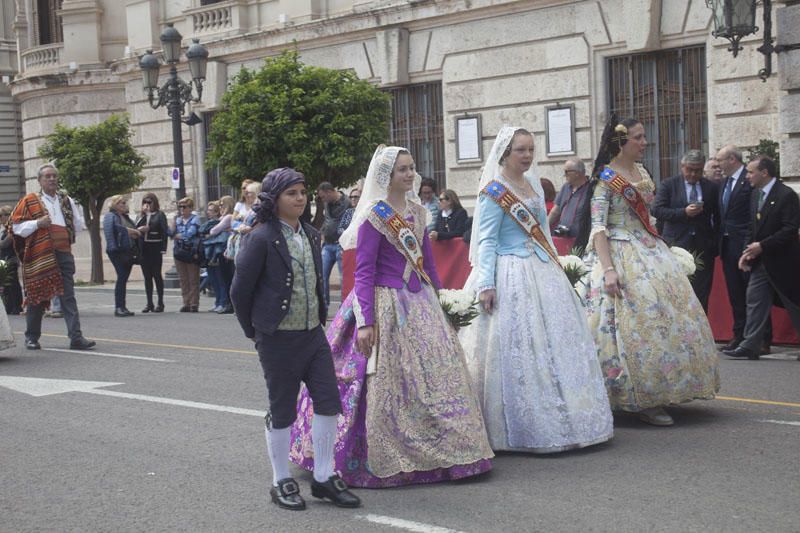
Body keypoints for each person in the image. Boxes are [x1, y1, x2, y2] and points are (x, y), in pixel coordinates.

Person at [290, 145, 493, 487]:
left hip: (420, 302)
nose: (409, 174)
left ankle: (448, 448)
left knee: (435, 378)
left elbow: (428, 263)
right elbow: (364, 272)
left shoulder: (418, 210)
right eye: (402, 169)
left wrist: (442, 302)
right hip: (385, 303)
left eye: (412, 168)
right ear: (387, 176)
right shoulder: (374, 215)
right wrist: (366, 321)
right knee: (382, 380)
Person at [459, 127, 613, 452]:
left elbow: (542, 229)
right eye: (521, 150)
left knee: (553, 346)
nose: (527, 156)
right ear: (505, 153)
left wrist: (556, 264)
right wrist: (486, 283)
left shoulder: (531, 185)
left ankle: (566, 418)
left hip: (541, 269)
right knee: (516, 348)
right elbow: (486, 239)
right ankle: (514, 425)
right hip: (508, 272)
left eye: (530, 149)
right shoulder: (493, 190)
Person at [231, 168, 361, 511]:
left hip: (312, 335)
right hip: (277, 338)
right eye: (292, 193)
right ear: (275, 200)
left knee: (329, 401)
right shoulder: (260, 237)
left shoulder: (311, 233)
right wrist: (256, 332)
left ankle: (322, 476)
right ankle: (280, 479)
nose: (300, 198)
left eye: (303, 192)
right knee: (282, 409)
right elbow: (239, 291)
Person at [575, 117, 719, 426]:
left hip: (647, 247)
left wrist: (661, 246)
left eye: (643, 137)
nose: (644, 142)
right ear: (621, 143)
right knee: (624, 323)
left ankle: (662, 388)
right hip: (618, 251)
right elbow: (599, 227)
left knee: (666, 317)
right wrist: (609, 270)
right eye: (639, 138)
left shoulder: (641, 171)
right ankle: (635, 396)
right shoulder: (605, 179)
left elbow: (649, 216)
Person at [10, 163, 95, 350]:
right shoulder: (29, 201)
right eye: (47, 176)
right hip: (40, 255)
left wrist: (64, 234)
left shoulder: (66, 200)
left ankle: (76, 337)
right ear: (39, 181)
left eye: (54, 176)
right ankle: (31, 337)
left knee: (68, 295)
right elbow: (15, 227)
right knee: (37, 295)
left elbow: (78, 224)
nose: (52, 179)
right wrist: (37, 224)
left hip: (63, 252)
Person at [723, 156, 800, 360]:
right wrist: (747, 253)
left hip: (783, 262)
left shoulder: (786, 195)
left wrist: (762, 246)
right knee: (754, 300)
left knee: (793, 303)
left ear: (764, 173)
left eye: (750, 171)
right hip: (761, 261)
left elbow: (790, 229)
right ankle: (750, 345)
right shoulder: (756, 194)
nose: (747, 176)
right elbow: (752, 227)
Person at [652, 149, 720, 311]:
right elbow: (657, 210)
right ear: (682, 167)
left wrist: (714, 243)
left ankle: (701, 331)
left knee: (701, 292)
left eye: (697, 170)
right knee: (676, 291)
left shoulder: (710, 187)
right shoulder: (669, 184)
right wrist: (683, 212)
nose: (693, 174)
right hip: (677, 244)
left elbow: (718, 217)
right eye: (689, 169)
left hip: (703, 246)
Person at [716, 145, 755, 351]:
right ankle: (739, 335)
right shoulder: (724, 183)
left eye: (720, 160)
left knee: (752, 293)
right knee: (735, 293)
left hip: (745, 244)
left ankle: (760, 338)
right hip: (727, 244)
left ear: (732, 159)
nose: (718, 164)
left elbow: (753, 213)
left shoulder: (748, 181)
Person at [103, 195, 140, 317]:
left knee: (123, 278)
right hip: (116, 251)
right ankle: (119, 307)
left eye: (125, 203)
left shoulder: (124, 217)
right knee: (122, 277)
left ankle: (122, 306)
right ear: (115, 205)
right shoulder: (110, 216)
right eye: (122, 203)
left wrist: (135, 231)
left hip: (127, 250)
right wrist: (131, 231)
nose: (124, 205)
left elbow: (131, 228)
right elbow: (115, 230)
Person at [317, 182, 349, 306]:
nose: (322, 200)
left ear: (329, 192)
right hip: (328, 244)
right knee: (322, 276)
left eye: (323, 196)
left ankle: (343, 308)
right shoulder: (327, 204)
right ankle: (324, 305)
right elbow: (328, 220)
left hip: (340, 244)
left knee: (343, 278)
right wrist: (323, 232)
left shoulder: (346, 202)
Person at [135, 192, 168, 313]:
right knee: (147, 276)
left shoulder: (159, 215)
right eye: (145, 202)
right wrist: (144, 215)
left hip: (155, 247)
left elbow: (164, 231)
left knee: (156, 275)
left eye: (149, 202)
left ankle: (160, 302)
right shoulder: (141, 216)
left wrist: (163, 247)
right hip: (144, 248)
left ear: (155, 202)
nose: (147, 204)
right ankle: (149, 303)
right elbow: (135, 227)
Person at [198, 201, 231, 313]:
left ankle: (223, 302)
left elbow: (213, 231)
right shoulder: (216, 221)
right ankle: (217, 302)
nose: (208, 212)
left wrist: (212, 232)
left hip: (219, 251)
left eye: (211, 210)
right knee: (213, 279)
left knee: (220, 279)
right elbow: (203, 231)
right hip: (210, 251)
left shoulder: (227, 218)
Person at [170, 197, 200, 312]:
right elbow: (170, 234)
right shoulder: (177, 220)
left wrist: (179, 236)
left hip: (191, 251)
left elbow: (190, 233)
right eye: (180, 207)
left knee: (193, 278)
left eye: (184, 207)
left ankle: (194, 303)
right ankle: (186, 302)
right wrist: (173, 224)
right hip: (179, 251)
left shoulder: (195, 219)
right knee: (183, 279)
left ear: (190, 208)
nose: (182, 209)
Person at [548, 157, 591, 237]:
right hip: (562, 237)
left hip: (581, 239)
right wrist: (544, 227)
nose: (564, 175)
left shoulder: (590, 189)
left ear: (577, 173)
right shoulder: (566, 187)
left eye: (566, 172)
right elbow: (555, 211)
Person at [209, 195, 236, 314]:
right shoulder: (224, 218)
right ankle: (226, 303)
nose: (220, 207)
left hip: (225, 250)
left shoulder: (228, 217)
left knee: (227, 278)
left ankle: (229, 303)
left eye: (222, 205)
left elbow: (213, 231)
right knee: (224, 278)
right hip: (224, 249)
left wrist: (219, 228)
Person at [0, 206, 24, 315]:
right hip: (5, 259)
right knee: (6, 285)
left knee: (13, 284)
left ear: (7, 216)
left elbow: (5, 243)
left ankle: (17, 306)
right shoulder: (5, 228)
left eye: (1, 216)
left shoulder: (12, 228)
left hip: (11, 259)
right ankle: (9, 307)